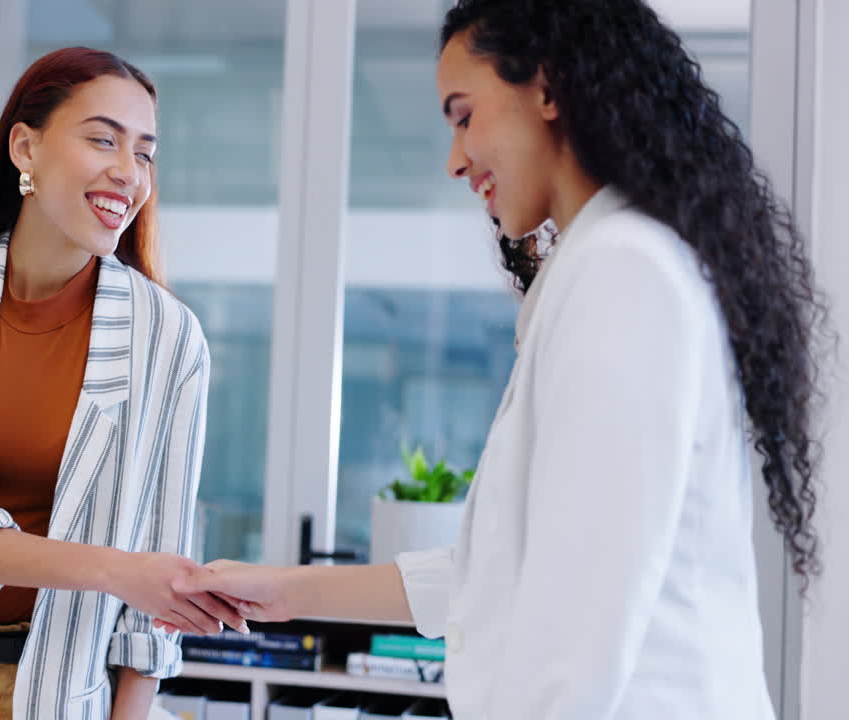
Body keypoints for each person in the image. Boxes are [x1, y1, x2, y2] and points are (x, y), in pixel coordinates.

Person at [174, 2, 827, 718]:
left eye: (463, 116)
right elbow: (497, 574)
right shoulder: (602, 269)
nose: (455, 159)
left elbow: (575, 644)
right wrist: (288, 590)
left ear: (546, 89)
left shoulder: (624, 273)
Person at [0, 47, 245, 720]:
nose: (129, 172)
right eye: (103, 139)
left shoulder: (169, 338)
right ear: (25, 148)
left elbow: (158, 587)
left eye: (145, 153)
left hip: (63, 695)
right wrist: (115, 569)